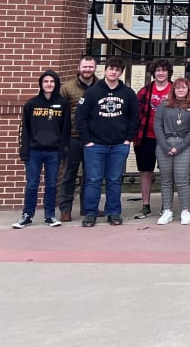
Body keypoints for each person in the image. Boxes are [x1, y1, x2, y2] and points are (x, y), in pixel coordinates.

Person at [77, 57, 139, 227]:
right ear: (105, 70)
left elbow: (134, 118)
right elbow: (81, 118)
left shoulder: (128, 93)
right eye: (111, 69)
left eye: (117, 70)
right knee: (93, 180)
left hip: (119, 145)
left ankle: (113, 212)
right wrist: (87, 141)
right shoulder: (92, 92)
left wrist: (128, 139)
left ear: (121, 73)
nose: (113, 72)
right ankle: (90, 213)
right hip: (95, 145)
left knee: (114, 179)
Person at [14, 70, 70, 229]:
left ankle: (50, 215)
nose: (49, 84)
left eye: (52, 81)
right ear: (41, 84)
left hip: (53, 151)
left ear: (56, 84)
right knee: (32, 184)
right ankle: (27, 215)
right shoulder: (31, 104)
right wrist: (24, 151)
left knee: (51, 184)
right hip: (34, 151)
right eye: (46, 81)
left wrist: (62, 150)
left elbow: (66, 130)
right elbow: (25, 130)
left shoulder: (63, 103)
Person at [58, 56, 97, 222]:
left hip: (94, 137)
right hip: (73, 137)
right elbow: (60, 114)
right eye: (85, 67)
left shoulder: (100, 86)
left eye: (90, 67)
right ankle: (65, 209)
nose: (87, 70)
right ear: (79, 67)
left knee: (91, 176)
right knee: (69, 174)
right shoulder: (66, 88)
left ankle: (87, 208)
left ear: (95, 68)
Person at [154, 76, 190, 226]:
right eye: (178, 87)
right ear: (174, 90)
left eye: (183, 87)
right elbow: (157, 127)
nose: (180, 90)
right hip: (164, 145)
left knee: (181, 179)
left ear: (188, 90)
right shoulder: (164, 105)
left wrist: (179, 147)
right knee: (166, 180)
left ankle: (185, 210)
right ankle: (167, 211)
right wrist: (166, 146)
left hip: (184, 146)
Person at [132, 59, 171, 219]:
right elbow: (136, 114)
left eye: (164, 70)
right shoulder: (144, 91)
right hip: (146, 136)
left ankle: (166, 205)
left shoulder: (175, 90)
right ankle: (146, 205)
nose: (160, 73)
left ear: (169, 72)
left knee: (167, 173)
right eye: (157, 70)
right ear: (153, 73)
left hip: (167, 138)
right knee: (146, 172)